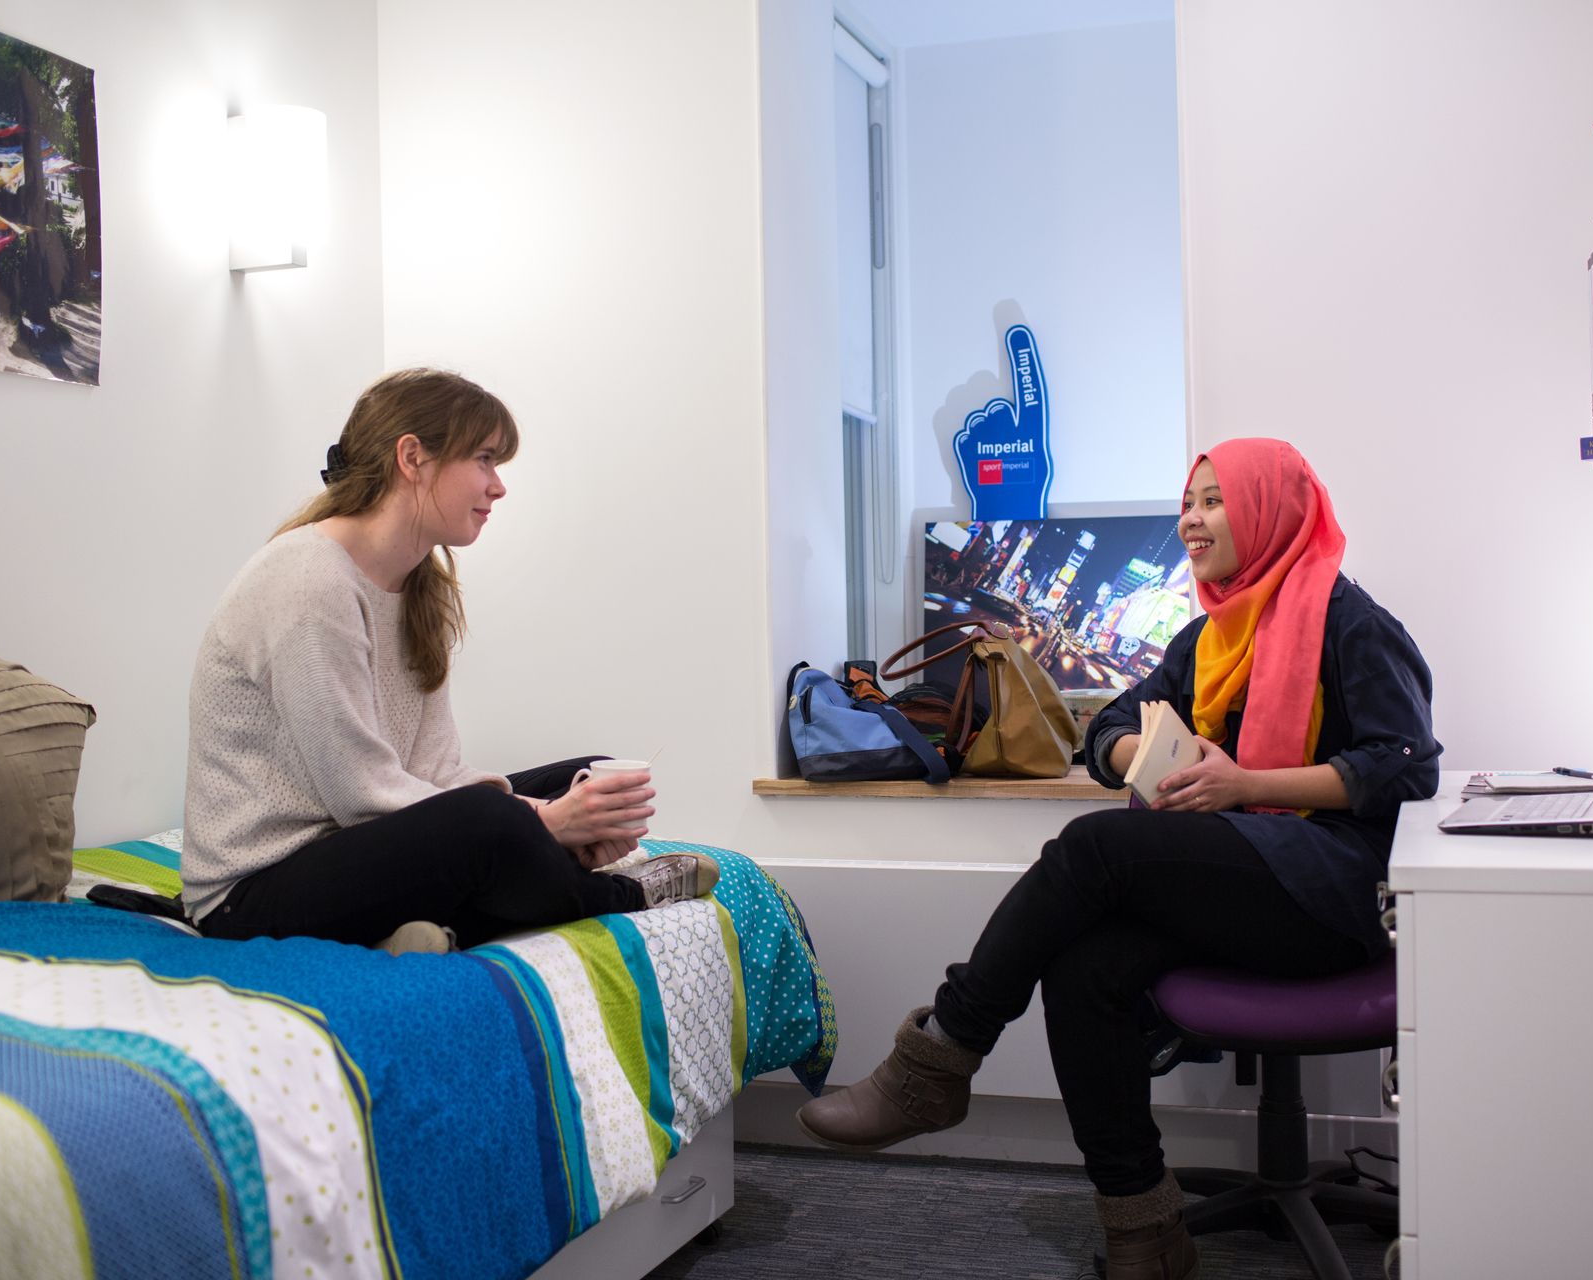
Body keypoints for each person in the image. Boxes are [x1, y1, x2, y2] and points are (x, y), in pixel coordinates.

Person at [796, 438, 1439, 1279]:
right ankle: (1145, 1230)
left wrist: (1244, 782)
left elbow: (1406, 765)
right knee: (1086, 966)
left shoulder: (1352, 623)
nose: (1191, 519)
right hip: (1243, 880)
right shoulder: (1209, 637)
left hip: (1331, 893)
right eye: (1188, 500)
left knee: (1095, 846)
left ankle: (938, 1060)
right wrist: (1148, 752)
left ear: (1271, 511)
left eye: (1214, 501)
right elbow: (1101, 728)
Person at [181, 368, 715, 953]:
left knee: (586, 772)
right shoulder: (309, 581)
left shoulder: (417, 589)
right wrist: (548, 826)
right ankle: (619, 894)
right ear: (413, 457)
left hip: (363, 851)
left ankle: (426, 930)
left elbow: (435, 771)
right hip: (252, 892)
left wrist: (547, 810)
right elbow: (361, 794)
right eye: (485, 459)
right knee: (492, 822)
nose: (498, 486)